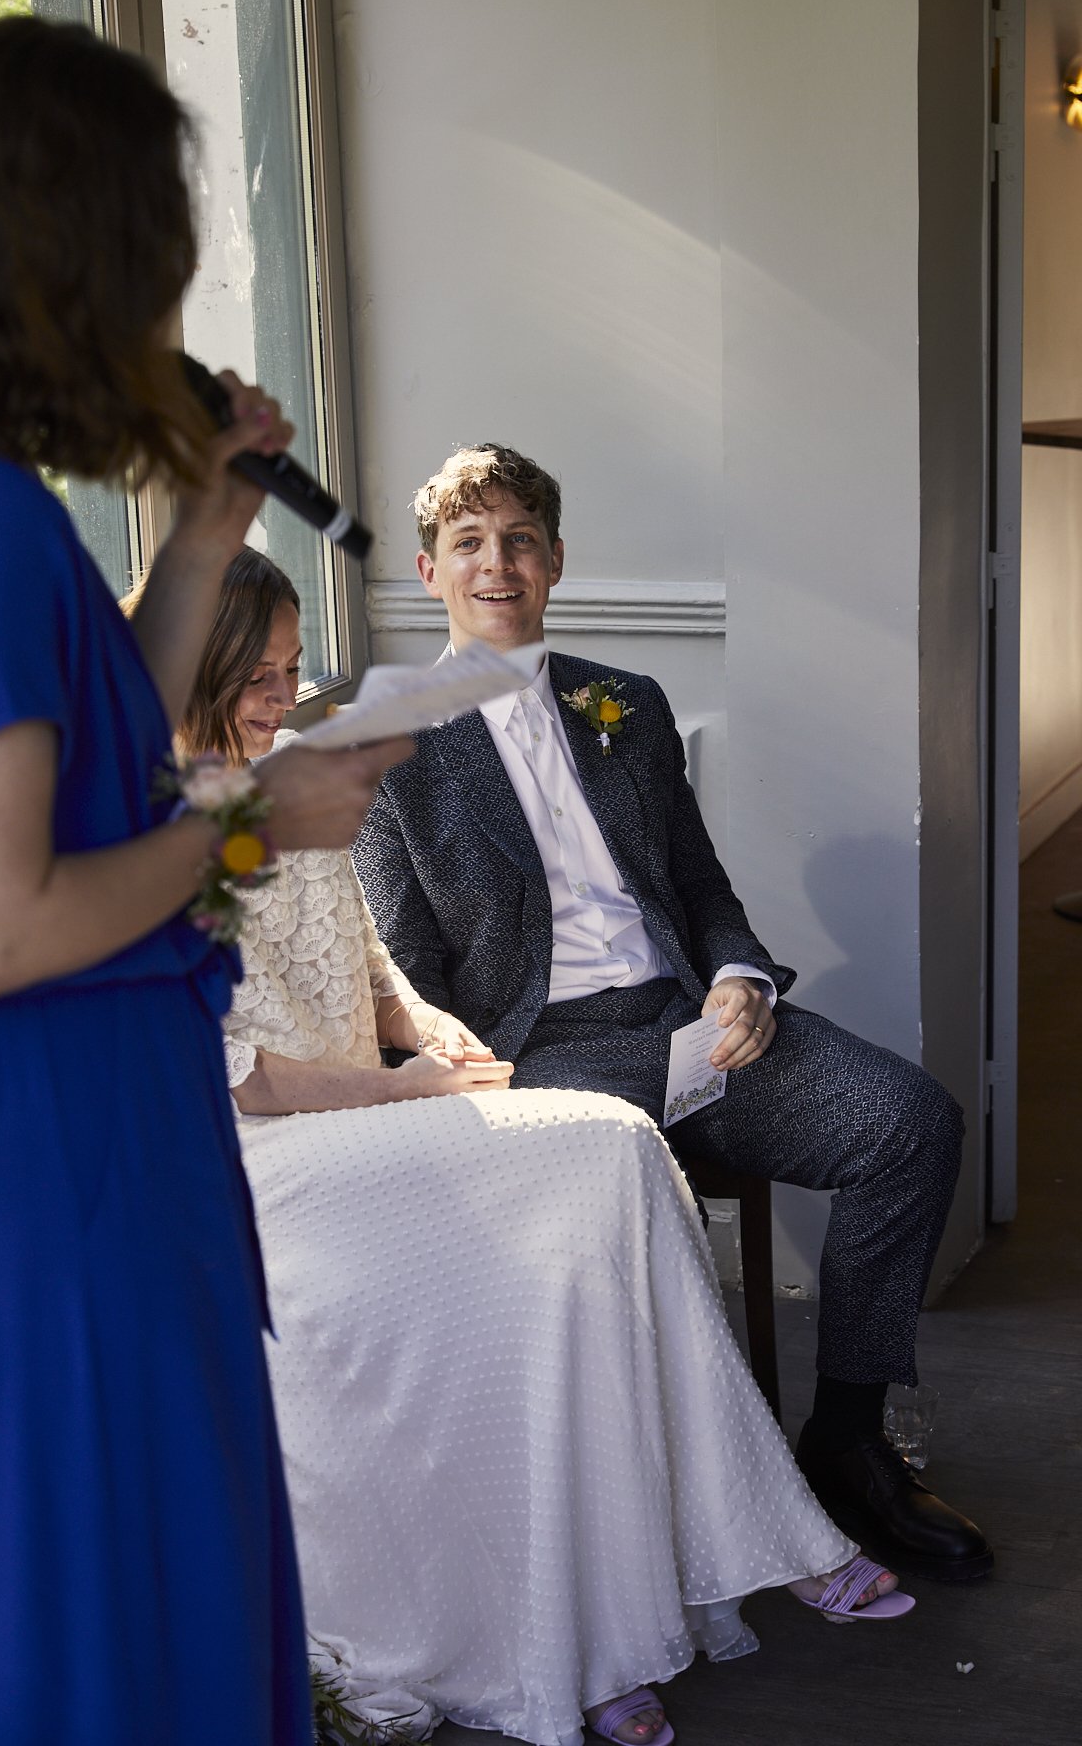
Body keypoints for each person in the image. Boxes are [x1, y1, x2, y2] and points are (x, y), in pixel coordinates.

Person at [0, 18, 406, 1746]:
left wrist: (196, 541)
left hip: (73, 1129)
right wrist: (260, 819)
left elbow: (84, 757)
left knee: (152, 1599)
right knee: (107, 1634)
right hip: (53, 1159)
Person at [183, 547, 912, 1746]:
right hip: (267, 1155)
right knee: (597, 1154)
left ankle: (643, 1600)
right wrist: (405, 1086)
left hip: (380, 1108)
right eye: (258, 675)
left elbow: (369, 966)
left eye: (292, 666)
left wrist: (440, 1038)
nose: (283, 693)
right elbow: (232, 1076)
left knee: (615, 1152)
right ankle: (609, 1622)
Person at [353, 443, 994, 1585]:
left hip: (686, 1015)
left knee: (911, 1122)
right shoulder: (388, 751)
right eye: (470, 543)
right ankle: (686, 1494)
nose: (497, 562)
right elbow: (406, 976)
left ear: (555, 562)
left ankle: (847, 1441)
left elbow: (699, 890)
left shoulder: (625, 706)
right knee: (637, 1185)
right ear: (427, 572)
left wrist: (740, 976)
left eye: (520, 540)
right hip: (540, 1059)